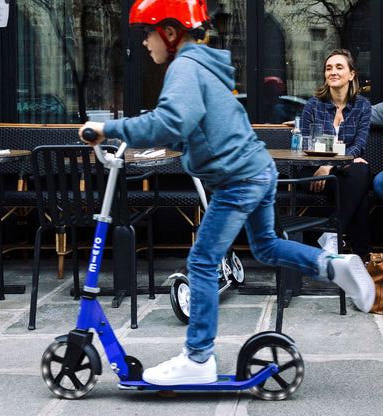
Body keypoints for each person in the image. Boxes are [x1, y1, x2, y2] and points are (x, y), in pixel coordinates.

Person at [79, 0, 375, 386]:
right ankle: (334, 265)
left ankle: (197, 356)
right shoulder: (202, 66)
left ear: (169, 32)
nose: (145, 42)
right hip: (257, 170)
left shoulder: (184, 67)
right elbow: (196, 125)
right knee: (266, 246)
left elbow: (171, 121)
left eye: (146, 32)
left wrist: (107, 129)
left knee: (202, 261)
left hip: (238, 178)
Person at [299, 49, 372, 259]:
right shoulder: (313, 105)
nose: (333, 72)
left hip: (337, 172)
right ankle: (364, 259)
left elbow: (359, 146)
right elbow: (307, 144)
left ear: (351, 74)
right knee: (359, 185)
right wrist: (329, 163)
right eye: (329, 68)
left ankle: (333, 231)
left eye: (339, 67)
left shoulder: (362, 106)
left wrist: (331, 165)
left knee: (360, 171)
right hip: (313, 172)